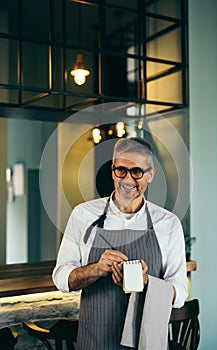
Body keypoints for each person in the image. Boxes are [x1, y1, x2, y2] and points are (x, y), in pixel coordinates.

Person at [52, 137, 188, 350]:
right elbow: (61, 278)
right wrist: (95, 269)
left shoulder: (167, 223)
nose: (127, 179)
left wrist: (146, 283)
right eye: (121, 170)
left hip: (145, 340)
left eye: (137, 172)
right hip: (96, 339)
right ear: (112, 171)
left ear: (150, 175)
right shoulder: (83, 215)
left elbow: (180, 293)